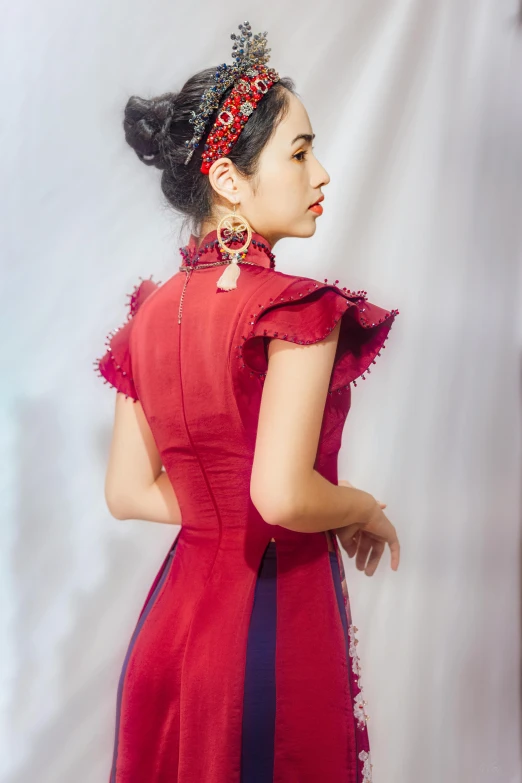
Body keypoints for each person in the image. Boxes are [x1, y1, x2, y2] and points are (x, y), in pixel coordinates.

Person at [94, 21, 400, 783]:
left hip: (172, 631)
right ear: (230, 180)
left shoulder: (147, 316)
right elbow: (282, 493)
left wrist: (216, 501)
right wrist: (362, 505)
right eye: (299, 153)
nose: (322, 173)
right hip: (269, 626)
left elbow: (128, 492)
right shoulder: (293, 310)